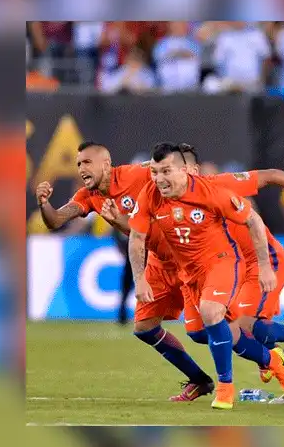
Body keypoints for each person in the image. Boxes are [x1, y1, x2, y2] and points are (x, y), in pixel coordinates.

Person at [34, 142, 214, 402]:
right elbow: (55, 220)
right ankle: (200, 380)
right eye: (78, 164)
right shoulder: (88, 196)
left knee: (207, 328)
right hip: (159, 262)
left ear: (106, 164)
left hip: (188, 256)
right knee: (145, 328)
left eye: (87, 162)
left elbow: (174, 171)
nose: (81, 169)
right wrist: (44, 204)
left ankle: (264, 352)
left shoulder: (138, 174)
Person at [128, 143, 284, 410]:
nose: (159, 179)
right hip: (189, 273)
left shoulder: (210, 192)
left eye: (166, 171)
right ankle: (272, 360)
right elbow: (137, 238)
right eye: (155, 172)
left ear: (184, 170)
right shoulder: (150, 194)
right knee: (201, 332)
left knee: (211, 311)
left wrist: (264, 266)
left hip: (222, 263)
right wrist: (139, 279)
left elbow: (252, 220)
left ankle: (225, 389)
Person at [177, 143, 284, 399]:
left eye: (175, 169)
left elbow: (271, 175)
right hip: (231, 268)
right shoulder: (168, 200)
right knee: (205, 332)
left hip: (262, 260)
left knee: (244, 327)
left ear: (193, 170)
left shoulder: (218, 185)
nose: (167, 176)